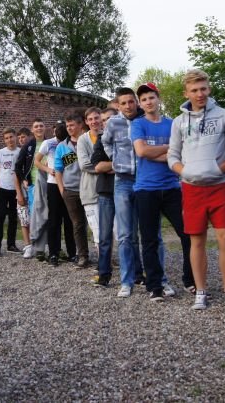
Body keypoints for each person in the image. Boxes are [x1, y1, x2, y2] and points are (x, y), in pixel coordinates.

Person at [167, 70, 225, 312]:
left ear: (209, 88)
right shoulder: (178, 122)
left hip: (220, 186)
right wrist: (185, 172)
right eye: (194, 90)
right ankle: (201, 291)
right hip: (192, 189)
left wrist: (220, 169)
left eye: (203, 88)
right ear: (186, 93)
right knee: (196, 241)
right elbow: (172, 155)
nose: (200, 94)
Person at [132, 83, 193, 302]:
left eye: (151, 97)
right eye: (144, 99)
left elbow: (181, 152)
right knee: (149, 240)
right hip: (146, 189)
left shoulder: (173, 123)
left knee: (188, 234)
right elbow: (141, 151)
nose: (148, 102)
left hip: (171, 188)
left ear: (158, 99)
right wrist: (169, 150)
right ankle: (155, 285)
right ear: (140, 104)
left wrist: (158, 153)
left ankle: (190, 279)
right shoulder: (138, 124)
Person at [102, 87, 147, 298]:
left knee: (149, 232)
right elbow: (105, 142)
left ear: (136, 102)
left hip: (144, 180)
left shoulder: (145, 119)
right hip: (123, 181)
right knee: (124, 235)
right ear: (118, 106)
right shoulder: (113, 123)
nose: (128, 106)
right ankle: (126, 281)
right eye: (123, 103)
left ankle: (156, 278)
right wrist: (115, 160)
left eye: (131, 102)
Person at [55, 112, 91, 268]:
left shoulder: (89, 140)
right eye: (67, 126)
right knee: (78, 224)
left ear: (80, 125)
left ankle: (105, 256)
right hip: (71, 190)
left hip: (90, 188)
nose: (69, 128)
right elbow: (58, 170)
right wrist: (62, 190)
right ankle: (83, 256)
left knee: (96, 223)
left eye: (72, 125)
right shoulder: (62, 147)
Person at [38, 123, 74, 265]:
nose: (60, 142)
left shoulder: (71, 143)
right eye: (58, 139)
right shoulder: (48, 143)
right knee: (54, 220)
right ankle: (54, 252)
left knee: (69, 219)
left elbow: (74, 161)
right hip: (53, 184)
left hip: (69, 184)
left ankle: (72, 253)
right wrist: (49, 170)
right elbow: (37, 161)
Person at [90, 107, 118, 287]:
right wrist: (120, 165)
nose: (107, 122)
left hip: (126, 189)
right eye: (105, 120)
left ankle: (137, 273)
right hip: (106, 191)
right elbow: (97, 166)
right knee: (105, 235)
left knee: (129, 235)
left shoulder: (128, 137)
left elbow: (136, 162)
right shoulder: (101, 140)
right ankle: (104, 273)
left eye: (111, 118)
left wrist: (110, 166)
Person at [15, 119, 47, 259]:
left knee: (51, 215)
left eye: (41, 126)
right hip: (34, 184)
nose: (39, 128)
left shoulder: (51, 143)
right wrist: (24, 179)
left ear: (45, 128)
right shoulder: (28, 146)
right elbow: (18, 166)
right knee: (36, 216)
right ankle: (36, 246)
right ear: (32, 130)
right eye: (36, 126)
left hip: (51, 182)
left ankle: (52, 246)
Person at [0, 127, 21, 256]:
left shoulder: (20, 152)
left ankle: (11, 245)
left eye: (11, 137)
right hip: (2, 189)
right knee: (0, 217)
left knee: (13, 218)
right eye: (6, 138)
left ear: (15, 137)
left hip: (16, 190)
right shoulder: (0, 153)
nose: (9, 140)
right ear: (4, 140)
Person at [77, 107, 103, 254]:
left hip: (108, 189)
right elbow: (84, 164)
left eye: (96, 118)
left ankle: (110, 258)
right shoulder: (83, 140)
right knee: (97, 230)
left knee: (113, 229)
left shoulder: (108, 135)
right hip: (90, 191)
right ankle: (103, 261)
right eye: (90, 119)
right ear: (86, 122)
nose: (94, 122)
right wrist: (107, 167)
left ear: (101, 118)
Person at [15, 127, 34, 252]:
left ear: (29, 136)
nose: (21, 140)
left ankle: (35, 243)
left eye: (23, 137)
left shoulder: (32, 150)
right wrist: (19, 193)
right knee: (24, 219)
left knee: (33, 218)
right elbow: (15, 175)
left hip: (33, 187)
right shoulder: (18, 153)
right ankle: (27, 245)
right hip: (22, 189)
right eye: (19, 138)